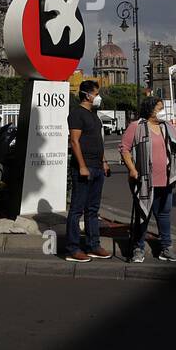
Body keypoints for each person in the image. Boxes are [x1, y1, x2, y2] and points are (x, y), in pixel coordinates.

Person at [121, 96, 176, 263]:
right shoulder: (136, 126)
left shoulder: (166, 126)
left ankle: (166, 248)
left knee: (164, 214)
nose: (162, 111)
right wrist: (132, 169)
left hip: (166, 179)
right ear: (150, 109)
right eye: (159, 107)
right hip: (144, 180)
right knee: (143, 214)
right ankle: (138, 248)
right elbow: (124, 149)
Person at [64, 80, 111, 262]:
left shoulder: (94, 115)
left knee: (93, 209)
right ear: (86, 94)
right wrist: (82, 166)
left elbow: (98, 141)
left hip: (97, 167)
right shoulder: (77, 114)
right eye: (96, 93)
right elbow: (75, 141)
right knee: (77, 210)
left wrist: (104, 162)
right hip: (84, 168)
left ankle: (93, 245)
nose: (98, 97)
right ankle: (73, 248)